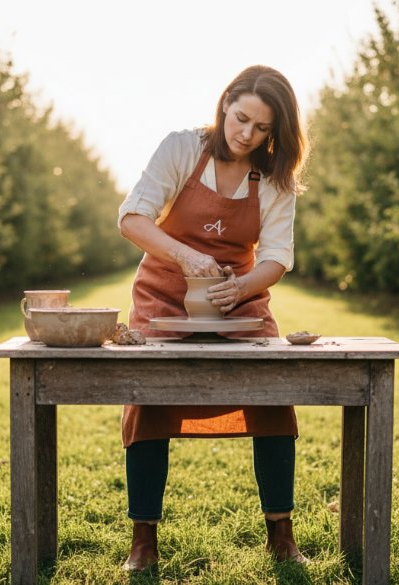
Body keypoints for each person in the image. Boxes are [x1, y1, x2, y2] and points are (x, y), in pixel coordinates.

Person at [116, 64, 310, 571]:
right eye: (241, 118)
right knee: (149, 403)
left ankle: (281, 536)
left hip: (238, 302)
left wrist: (241, 286)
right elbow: (132, 218)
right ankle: (143, 542)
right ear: (225, 103)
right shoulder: (182, 148)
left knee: (272, 400)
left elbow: (277, 256)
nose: (246, 135)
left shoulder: (273, 177)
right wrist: (186, 259)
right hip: (163, 296)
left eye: (262, 128)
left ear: (276, 131)